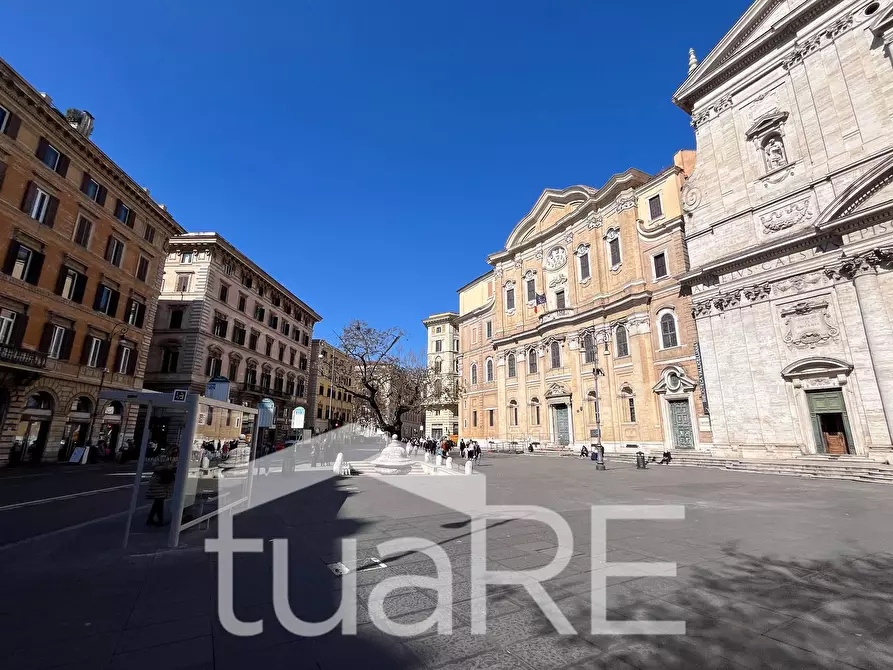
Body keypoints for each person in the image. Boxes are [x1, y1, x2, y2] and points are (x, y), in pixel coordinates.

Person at [146, 459, 176, 526]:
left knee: (158, 501)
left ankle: (150, 519)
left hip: (164, 481)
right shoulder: (162, 457)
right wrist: (167, 467)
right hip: (159, 481)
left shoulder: (173, 458)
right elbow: (155, 467)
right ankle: (160, 520)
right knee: (159, 501)